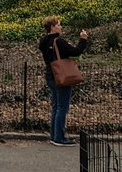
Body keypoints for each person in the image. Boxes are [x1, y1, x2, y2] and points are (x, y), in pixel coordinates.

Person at [38, 16, 89, 146]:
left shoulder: (44, 42)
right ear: (53, 27)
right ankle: (59, 138)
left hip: (50, 76)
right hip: (61, 77)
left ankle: (54, 136)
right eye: (59, 25)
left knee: (56, 107)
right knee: (62, 108)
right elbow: (76, 51)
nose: (61, 27)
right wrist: (83, 39)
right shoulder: (58, 42)